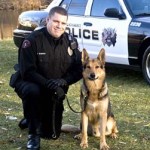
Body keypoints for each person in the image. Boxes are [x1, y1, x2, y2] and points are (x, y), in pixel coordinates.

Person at [10, 6, 82, 150]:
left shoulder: (70, 42)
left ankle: (30, 119)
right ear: (47, 20)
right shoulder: (32, 40)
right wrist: (49, 84)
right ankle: (33, 135)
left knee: (51, 134)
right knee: (33, 92)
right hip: (30, 83)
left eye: (63, 23)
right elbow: (27, 72)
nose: (59, 26)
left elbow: (79, 69)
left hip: (55, 89)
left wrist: (64, 81)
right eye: (56, 21)